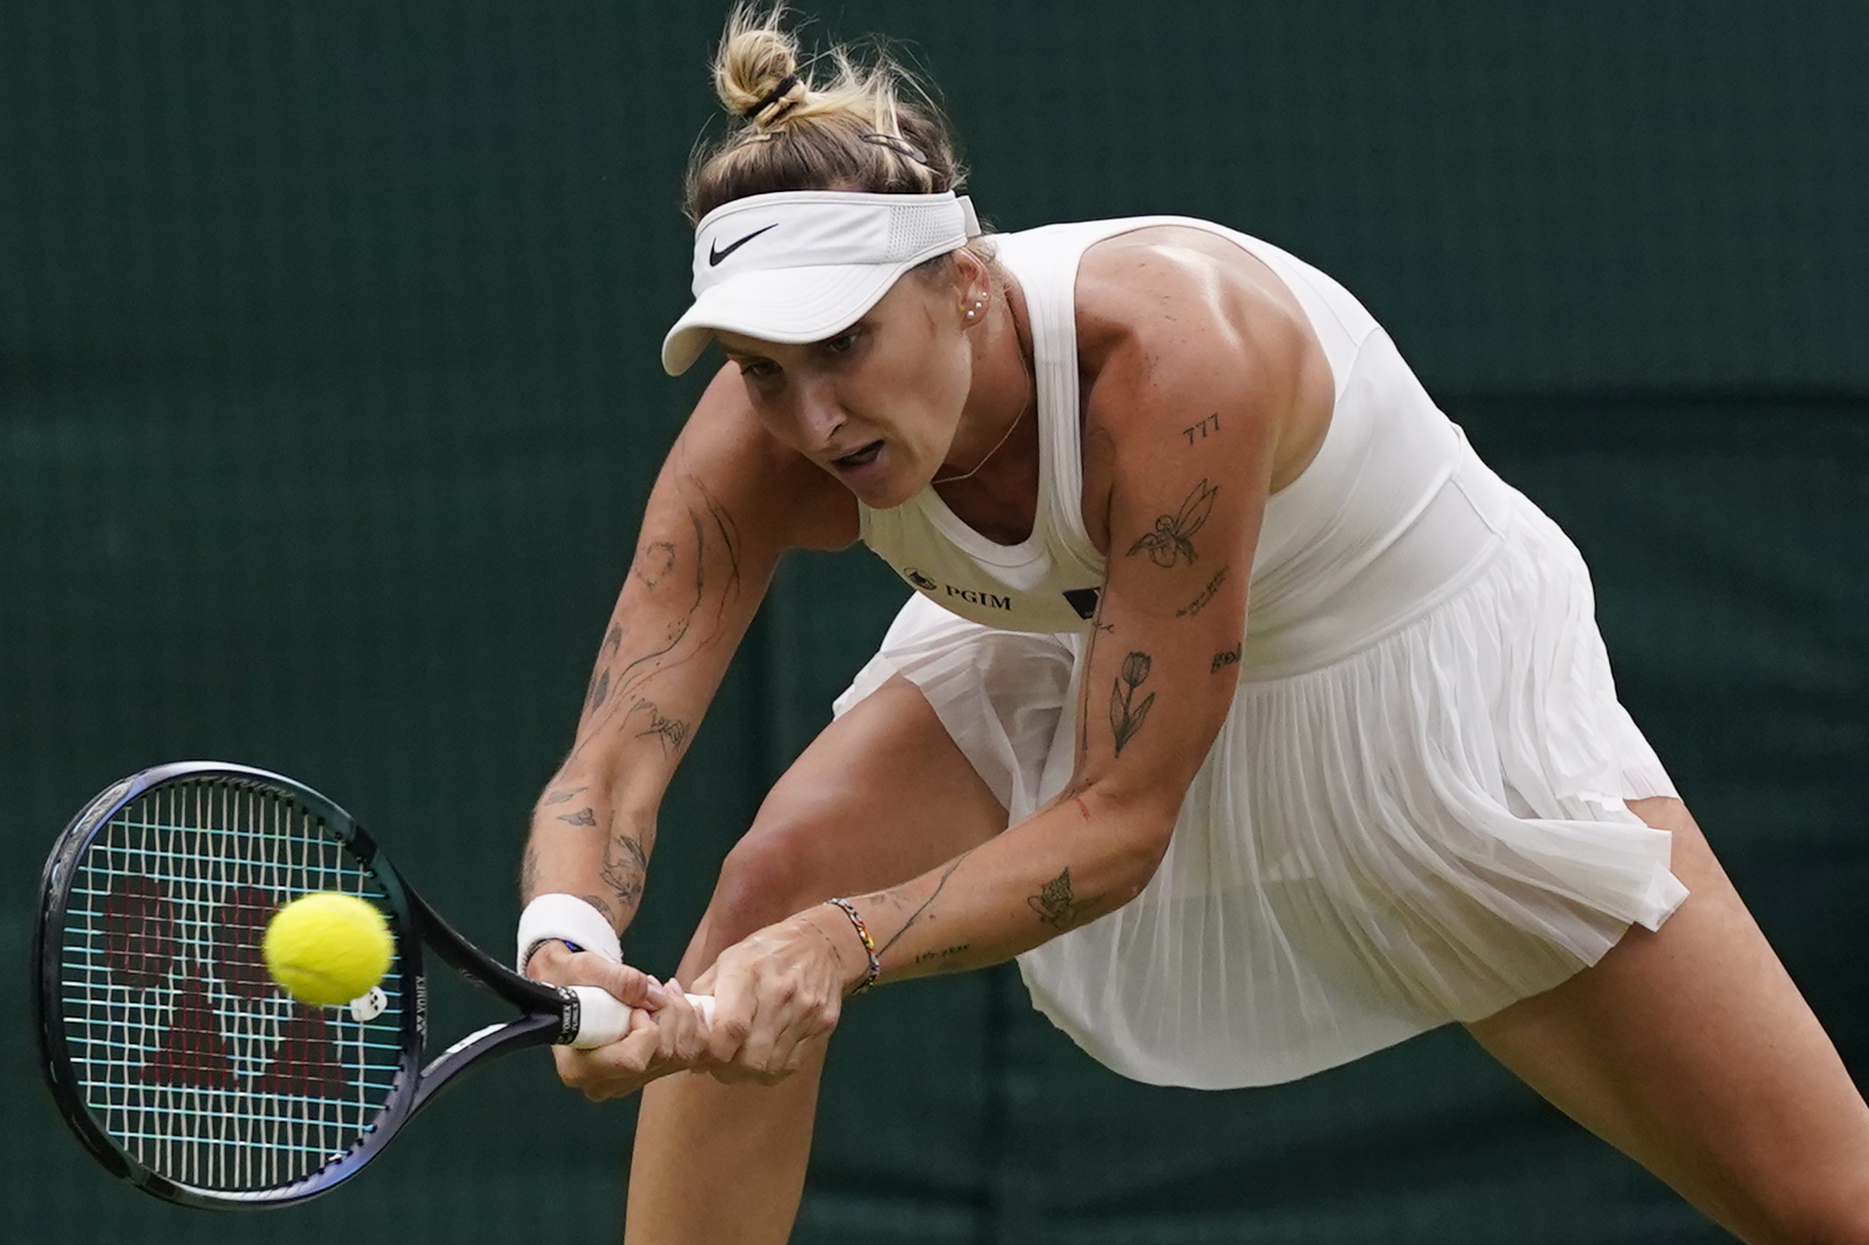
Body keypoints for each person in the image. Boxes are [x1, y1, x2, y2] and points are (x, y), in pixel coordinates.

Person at [514, 7, 1869, 1243]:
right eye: (763, 368)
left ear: (966, 285)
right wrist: (563, 945)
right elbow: (612, 759)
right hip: (1066, 632)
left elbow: (1117, 821)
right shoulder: (765, 438)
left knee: (1820, 1199)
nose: (813, 418)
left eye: (845, 345)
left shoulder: (1177, 365)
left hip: (1396, 673)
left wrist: (841, 945)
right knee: (768, 885)